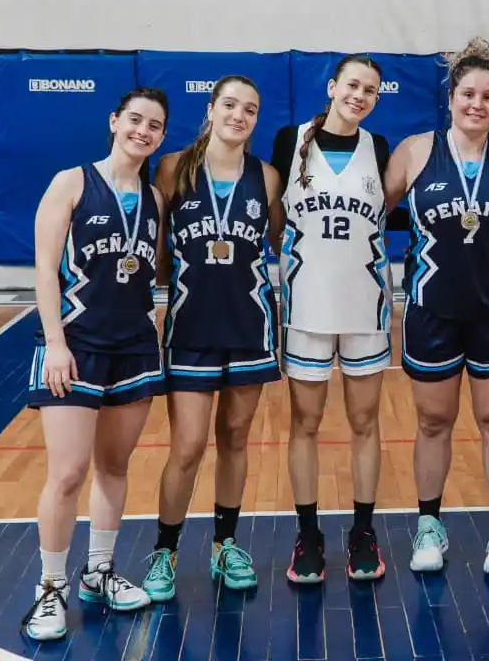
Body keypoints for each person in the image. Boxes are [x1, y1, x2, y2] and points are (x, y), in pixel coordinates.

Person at [383, 38, 489, 576]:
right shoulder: (415, 151)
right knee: (433, 421)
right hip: (432, 310)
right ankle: (429, 525)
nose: (477, 103)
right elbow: (371, 209)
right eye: (468, 93)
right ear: (450, 97)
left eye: (488, 96)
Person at [21, 87, 169, 641]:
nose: (143, 131)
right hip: (75, 345)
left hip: (132, 346)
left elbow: (146, 274)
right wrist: (55, 342)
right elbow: (43, 267)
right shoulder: (72, 181)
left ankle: (99, 571)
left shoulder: (154, 197)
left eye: (154, 125)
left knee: (114, 466)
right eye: (135, 120)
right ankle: (51, 586)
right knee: (66, 473)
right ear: (114, 121)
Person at [141, 75, 285, 601]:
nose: (239, 116)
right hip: (191, 325)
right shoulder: (173, 168)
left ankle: (225, 544)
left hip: (248, 326)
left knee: (236, 438)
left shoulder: (267, 177)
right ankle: (165, 550)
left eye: (250, 108)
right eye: (230, 105)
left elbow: (275, 239)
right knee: (188, 445)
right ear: (210, 108)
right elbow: (154, 246)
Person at [270, 53, 393, 583]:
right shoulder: (287, 140)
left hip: (365, 303)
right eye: (352, 85)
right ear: (332, 87)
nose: (359, 95)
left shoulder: (378, 148)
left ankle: (363, 530)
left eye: (370, 89)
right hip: (307, 304)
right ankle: (309, 532)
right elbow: (274, 216)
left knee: (366, 422)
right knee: (306, 423)